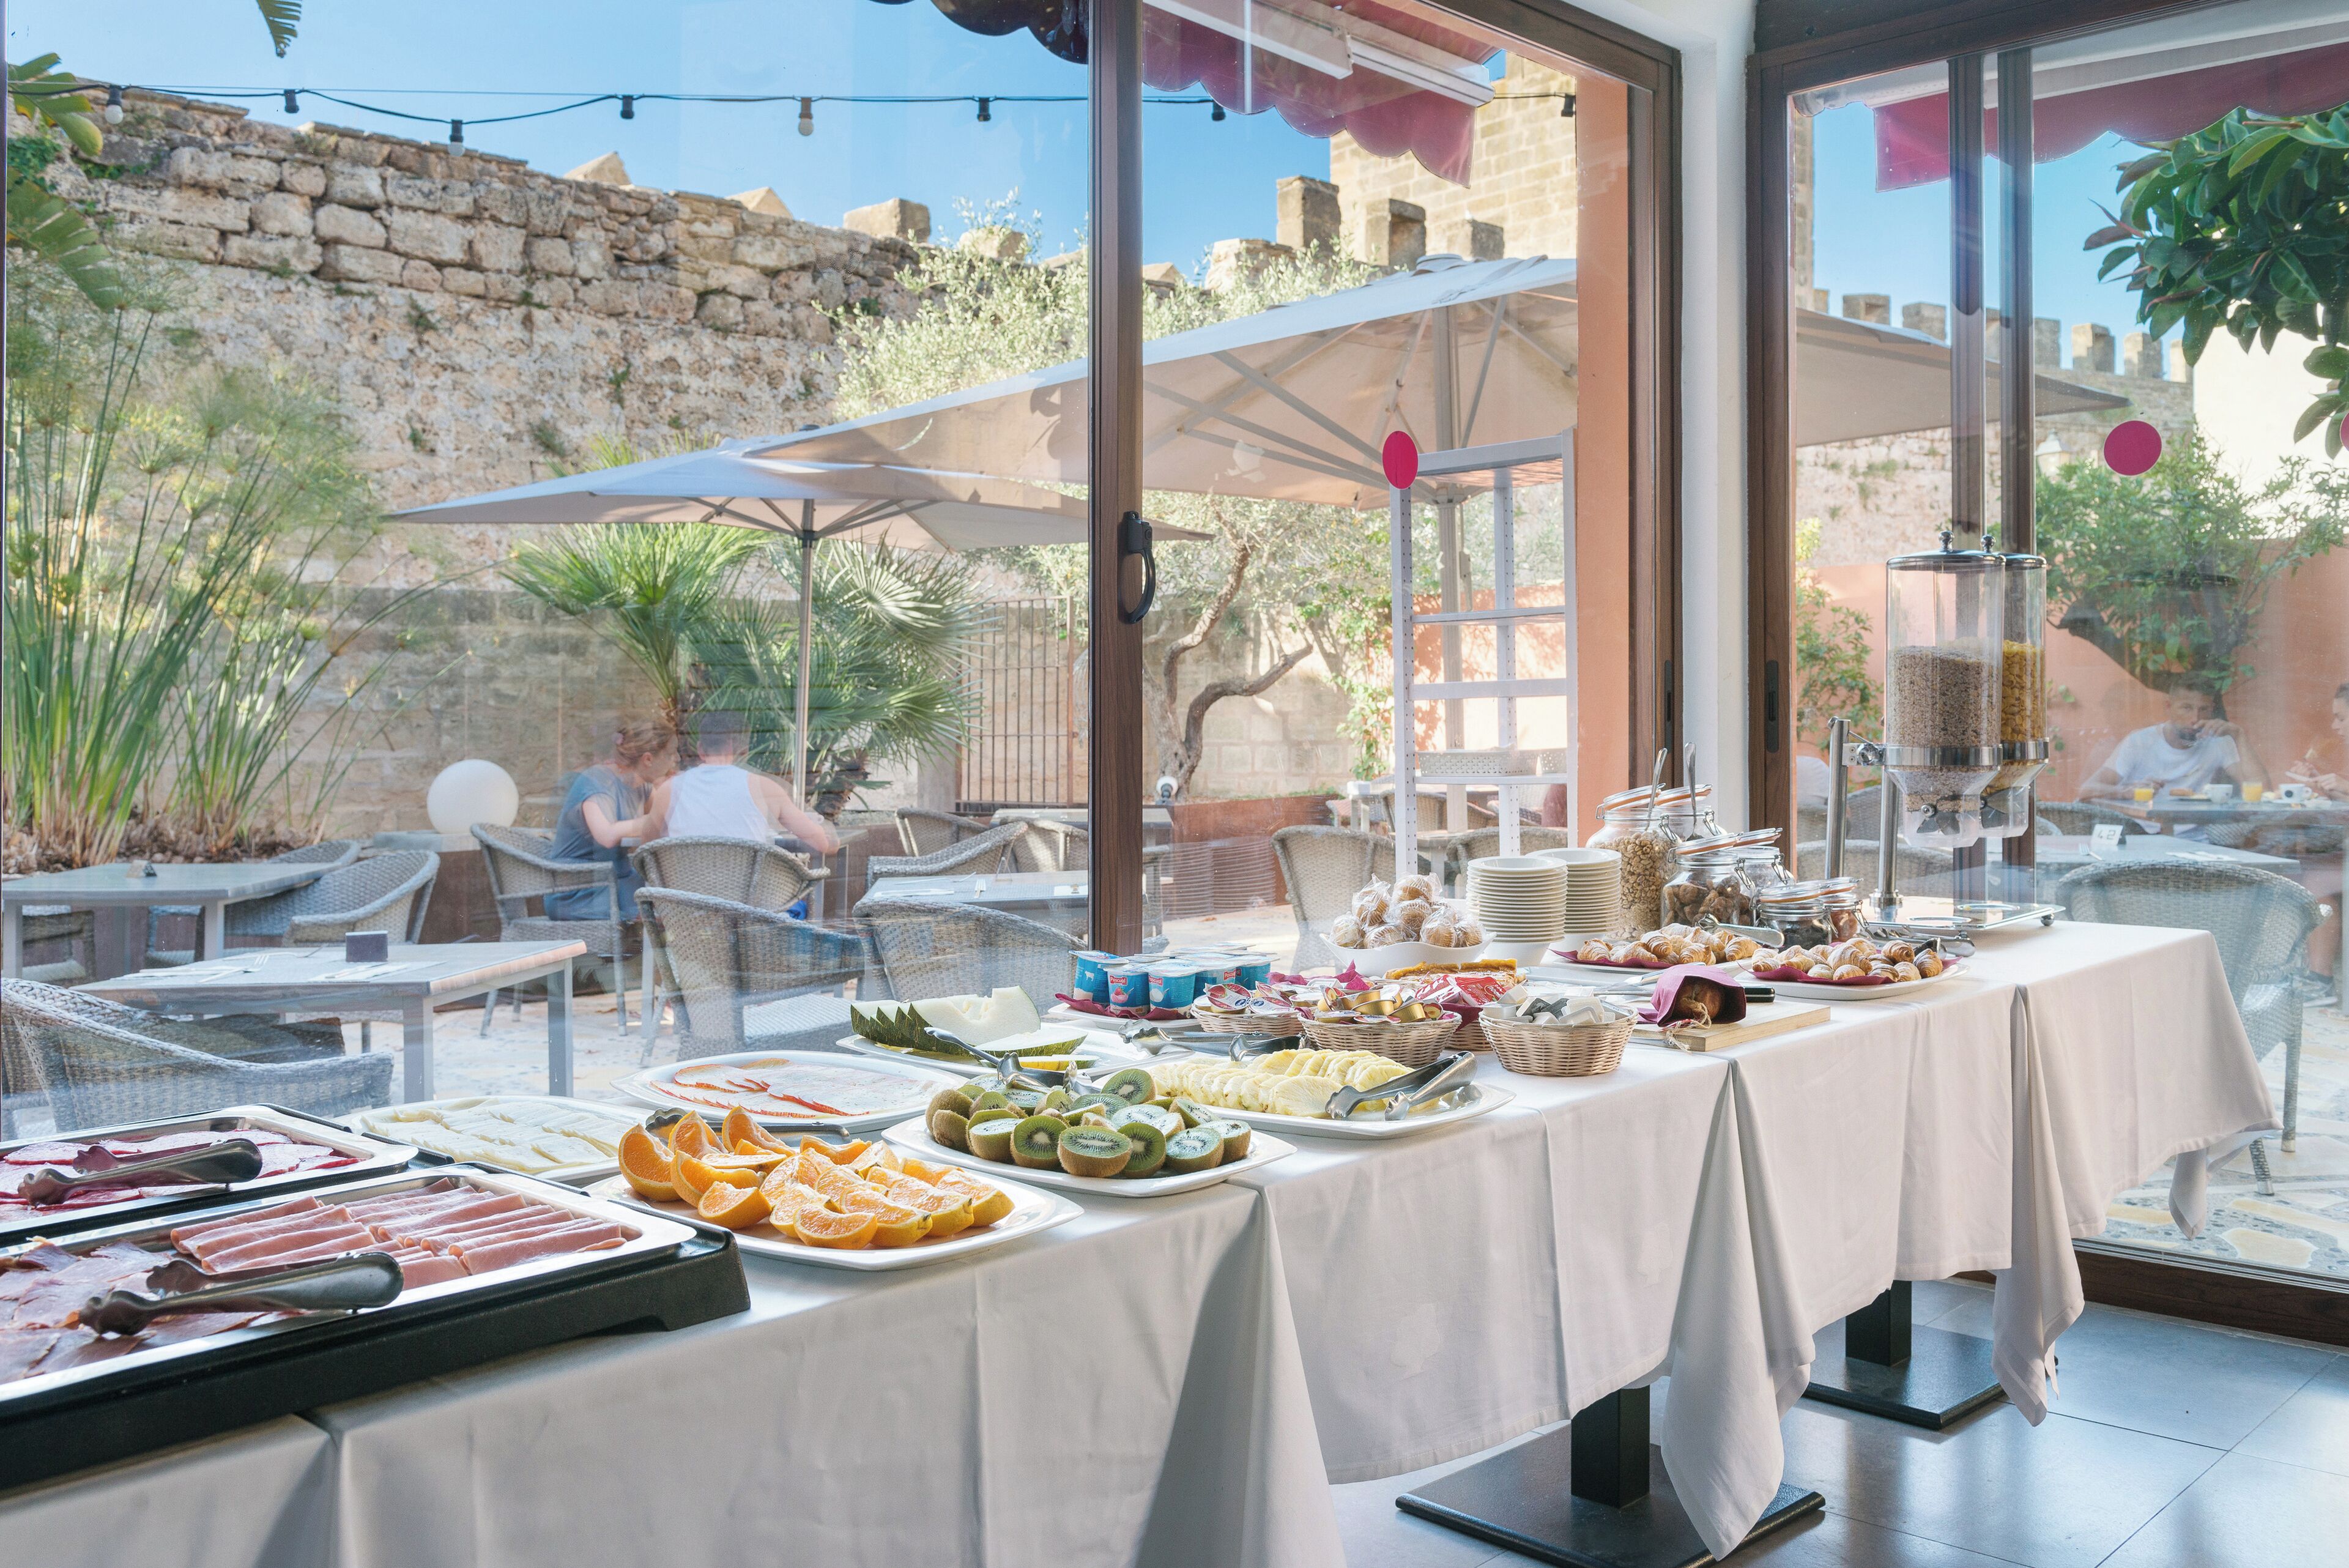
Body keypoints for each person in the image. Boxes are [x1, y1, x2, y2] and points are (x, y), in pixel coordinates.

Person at [645, 707, 841, 856]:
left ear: (700, 749)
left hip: (682, 907)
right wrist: (827, 829)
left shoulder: (669, 790)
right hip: (747, 908)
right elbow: (823, 844)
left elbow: (648, 843)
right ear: (745, 750)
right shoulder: (764, 788)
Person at [2079, 683, 2269, 837]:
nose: (2195, 718)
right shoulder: (2139, 742)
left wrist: (2239, 735)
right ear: (2169, 707)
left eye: (2203, 710)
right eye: (2186, 708)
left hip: (2198, 839)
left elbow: (2262, 790)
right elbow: (2087, 790)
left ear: (2211, 710)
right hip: (2141, 834)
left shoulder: (2218, 741)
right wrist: (2128, 792)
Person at [544, 716, 676, 921]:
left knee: (676, 907)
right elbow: (606, 835)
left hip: (618, 884)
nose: (675, 759)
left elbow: (663, 825)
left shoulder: (643, 785)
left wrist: (669, 789)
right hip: (579, 892)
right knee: (662, 914)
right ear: (648, 760)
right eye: (670, 754)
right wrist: (653, 819)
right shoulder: (597, 782)